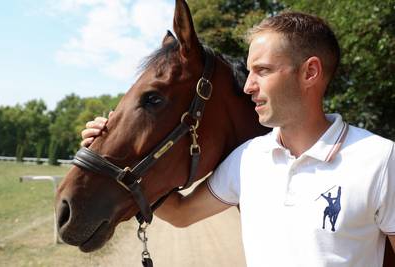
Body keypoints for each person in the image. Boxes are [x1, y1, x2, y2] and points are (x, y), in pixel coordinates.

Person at [81, 11, 395, 267]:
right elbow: (180, 212)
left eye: (263, 70)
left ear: (309, 72)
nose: (248, 86)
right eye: (249, 71)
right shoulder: (248, 158)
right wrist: (109, 155)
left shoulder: (380, 160)